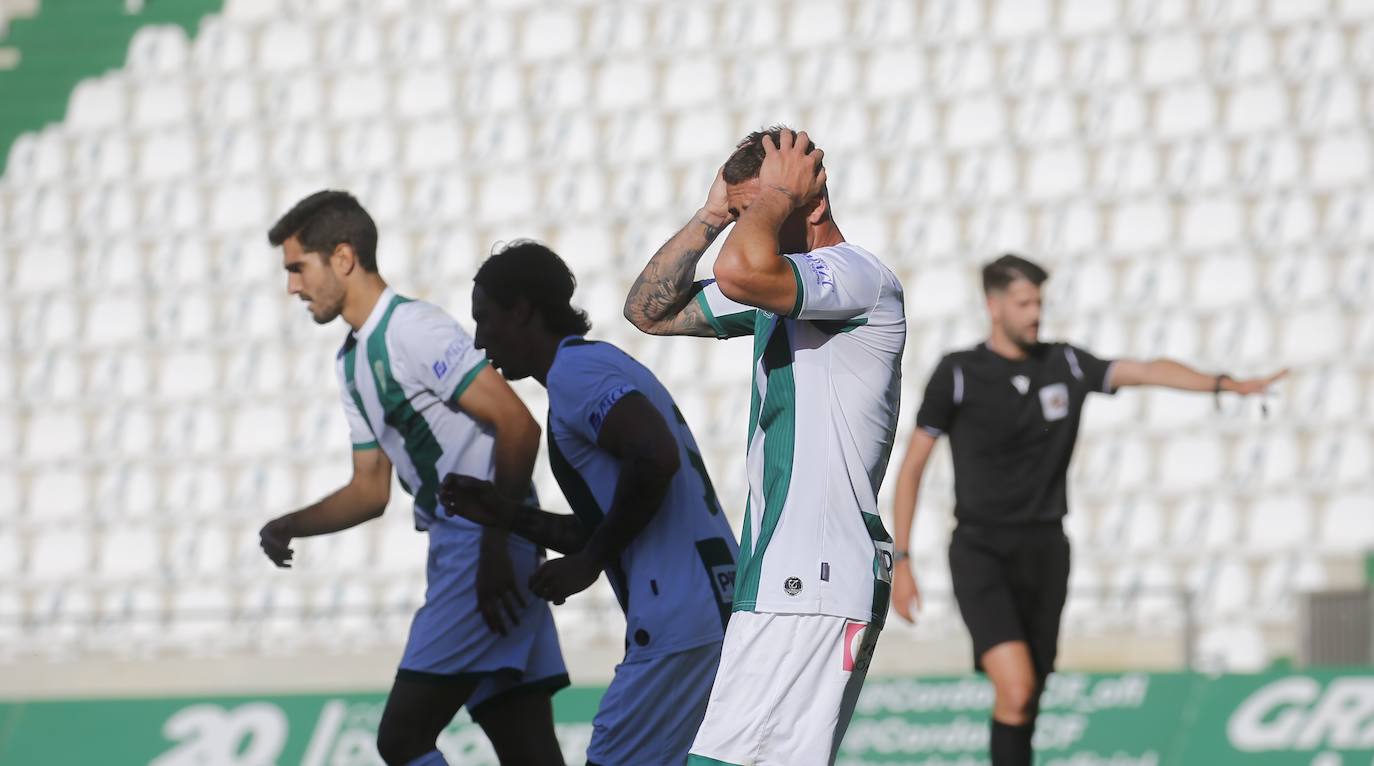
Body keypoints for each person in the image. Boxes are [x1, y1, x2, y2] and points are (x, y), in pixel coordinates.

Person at [889, 253, 1289, 766]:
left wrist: (1221, 384)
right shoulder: (959, 373)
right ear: (993, 306)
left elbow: (1143, 370)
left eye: (1039, 302)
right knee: (1015, 686)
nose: (1036, 313)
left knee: (1029, 695)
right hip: (980, 550)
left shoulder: (1067, 364)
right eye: (1024, 302)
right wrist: (902, 559)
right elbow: (913, 467)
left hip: (1046, 548)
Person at [624, 127, 907, 766]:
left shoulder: (856, 278)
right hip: (788, 574)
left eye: (755, 211)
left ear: (807, 198)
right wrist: (710, 214)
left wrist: (774, 195)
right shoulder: (778, 292)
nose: (740, 227)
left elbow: (740, 268)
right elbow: (649, 310)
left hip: (812, 573)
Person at [256, 191, 567, 766]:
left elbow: (518, 426)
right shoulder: (351, 361)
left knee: (400, 740)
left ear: (343, 257)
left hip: (482, 546)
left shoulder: (413, 329)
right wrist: (288, 525)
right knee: (528, 747)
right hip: (476, 546)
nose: (293, 287)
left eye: (299, 268)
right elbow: (370, 489)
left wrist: (496, 542)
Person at [440, 240, 738, 766]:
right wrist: (503, 513)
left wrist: (591, 561)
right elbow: (609, 521)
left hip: (676, 619)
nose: (479, 339)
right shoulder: (600, 367)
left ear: (524, 310)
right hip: (713, 606)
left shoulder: (577, 374)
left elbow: (654, 456)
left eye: (485, 319)